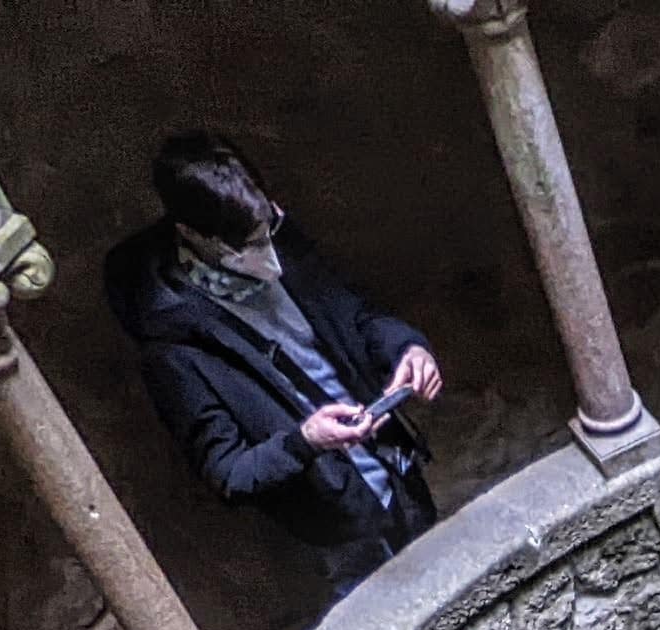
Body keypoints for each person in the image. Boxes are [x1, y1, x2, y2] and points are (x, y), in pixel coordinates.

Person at [106, 131, 447, 592]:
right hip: (336, 534)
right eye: (247, 246)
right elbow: (228, 472)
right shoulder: (172, 346)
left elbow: (356, 317)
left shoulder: (279, 240)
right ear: (191, 234)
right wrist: (306, 441)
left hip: (397, 476)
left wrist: (406, 347)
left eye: (269, 229)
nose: (269, 256)